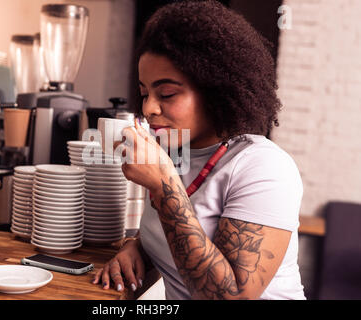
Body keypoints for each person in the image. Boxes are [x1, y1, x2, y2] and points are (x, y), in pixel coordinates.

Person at [92, 0, 305, 300]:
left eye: (166, 93)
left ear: (215, 89)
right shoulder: (178, 151)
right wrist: (136, 248)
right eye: (144, 93)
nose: (149, 108)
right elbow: (181, 232)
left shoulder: (264, 166)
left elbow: (232, 296)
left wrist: (163, 184)